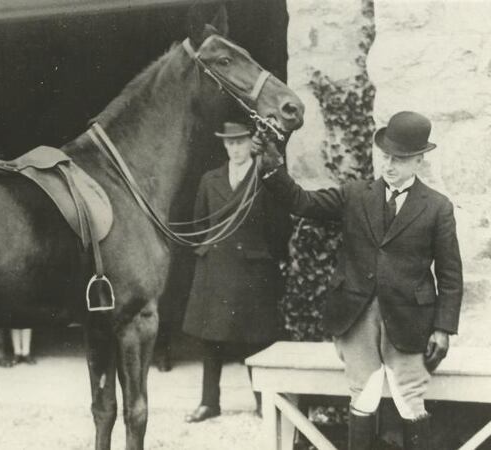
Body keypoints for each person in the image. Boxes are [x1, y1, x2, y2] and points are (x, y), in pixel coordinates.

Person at [253, 111, 462, 450]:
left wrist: (443, 327)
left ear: (420, 159)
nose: (390, 165)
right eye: (386, 157)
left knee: (409, 398)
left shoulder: (438, 207)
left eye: (401, 159)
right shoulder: (355, 194)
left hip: (410, 320)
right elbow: (302, 202)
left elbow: (451, 274)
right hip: (357, 314)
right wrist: (273, 167)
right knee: (362, 394)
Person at [182, 121, 291, 423]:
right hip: (216, 267)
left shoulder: (264, 178)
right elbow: (200, 223)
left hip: (253, 268)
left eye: (240, 142)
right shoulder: (210, 180)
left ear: (250, 143)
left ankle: (263, 401)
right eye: (230, 143)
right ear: (224, 146)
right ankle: (209, 402)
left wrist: (266, 256)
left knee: (256, 338)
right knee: (211, 336)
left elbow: (279, 226)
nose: (235, 149)